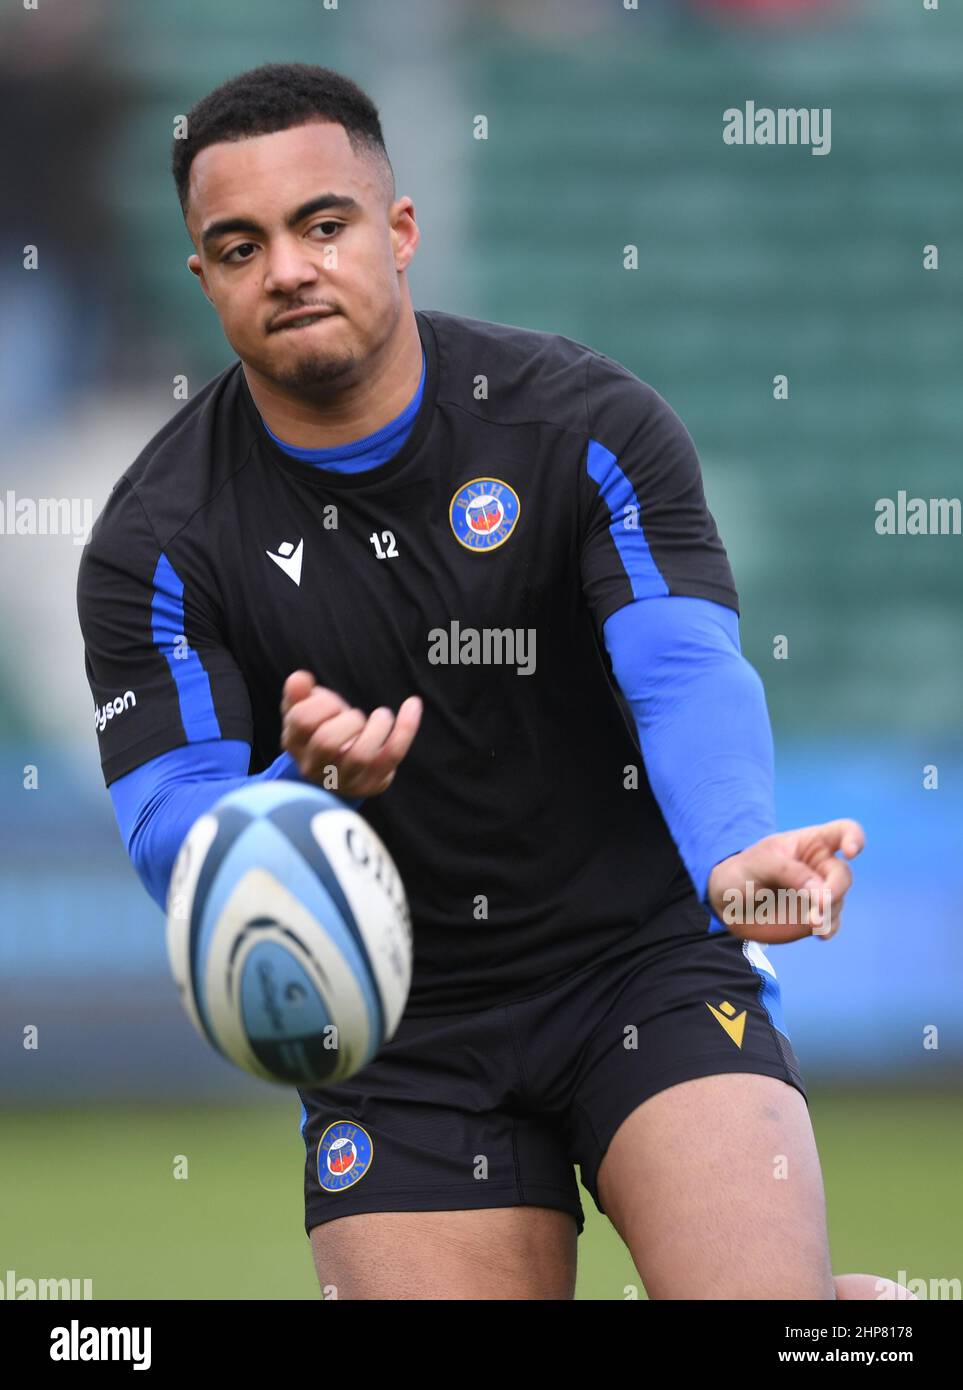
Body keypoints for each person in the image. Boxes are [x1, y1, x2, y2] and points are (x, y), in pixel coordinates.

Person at [77, 62, 911, 1301]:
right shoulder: (155, 537)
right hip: (395, 1037)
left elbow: (682, 663)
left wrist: (734, 849)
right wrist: (289, 801)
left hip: (642, 960)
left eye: (323, 224)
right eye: (240, 246)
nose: (289, 269)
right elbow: (169, 823)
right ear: (204, 278)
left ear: (398, 230)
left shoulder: (584, 424)